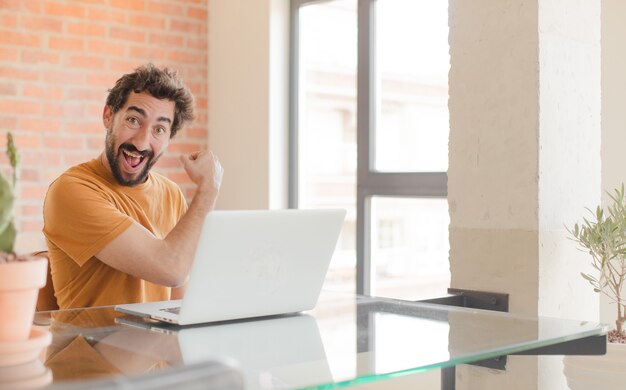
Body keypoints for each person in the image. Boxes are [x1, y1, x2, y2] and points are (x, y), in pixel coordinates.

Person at [43, 63, 224, 309]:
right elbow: (171, 269)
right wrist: (208, 189)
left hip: (153, 344)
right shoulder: (71, 190)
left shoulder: (171, 194)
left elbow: (180, 300)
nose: (141, 142)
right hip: (91, 346)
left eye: (159, 129)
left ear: (169, 138)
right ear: (108, 116)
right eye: (133, 120)